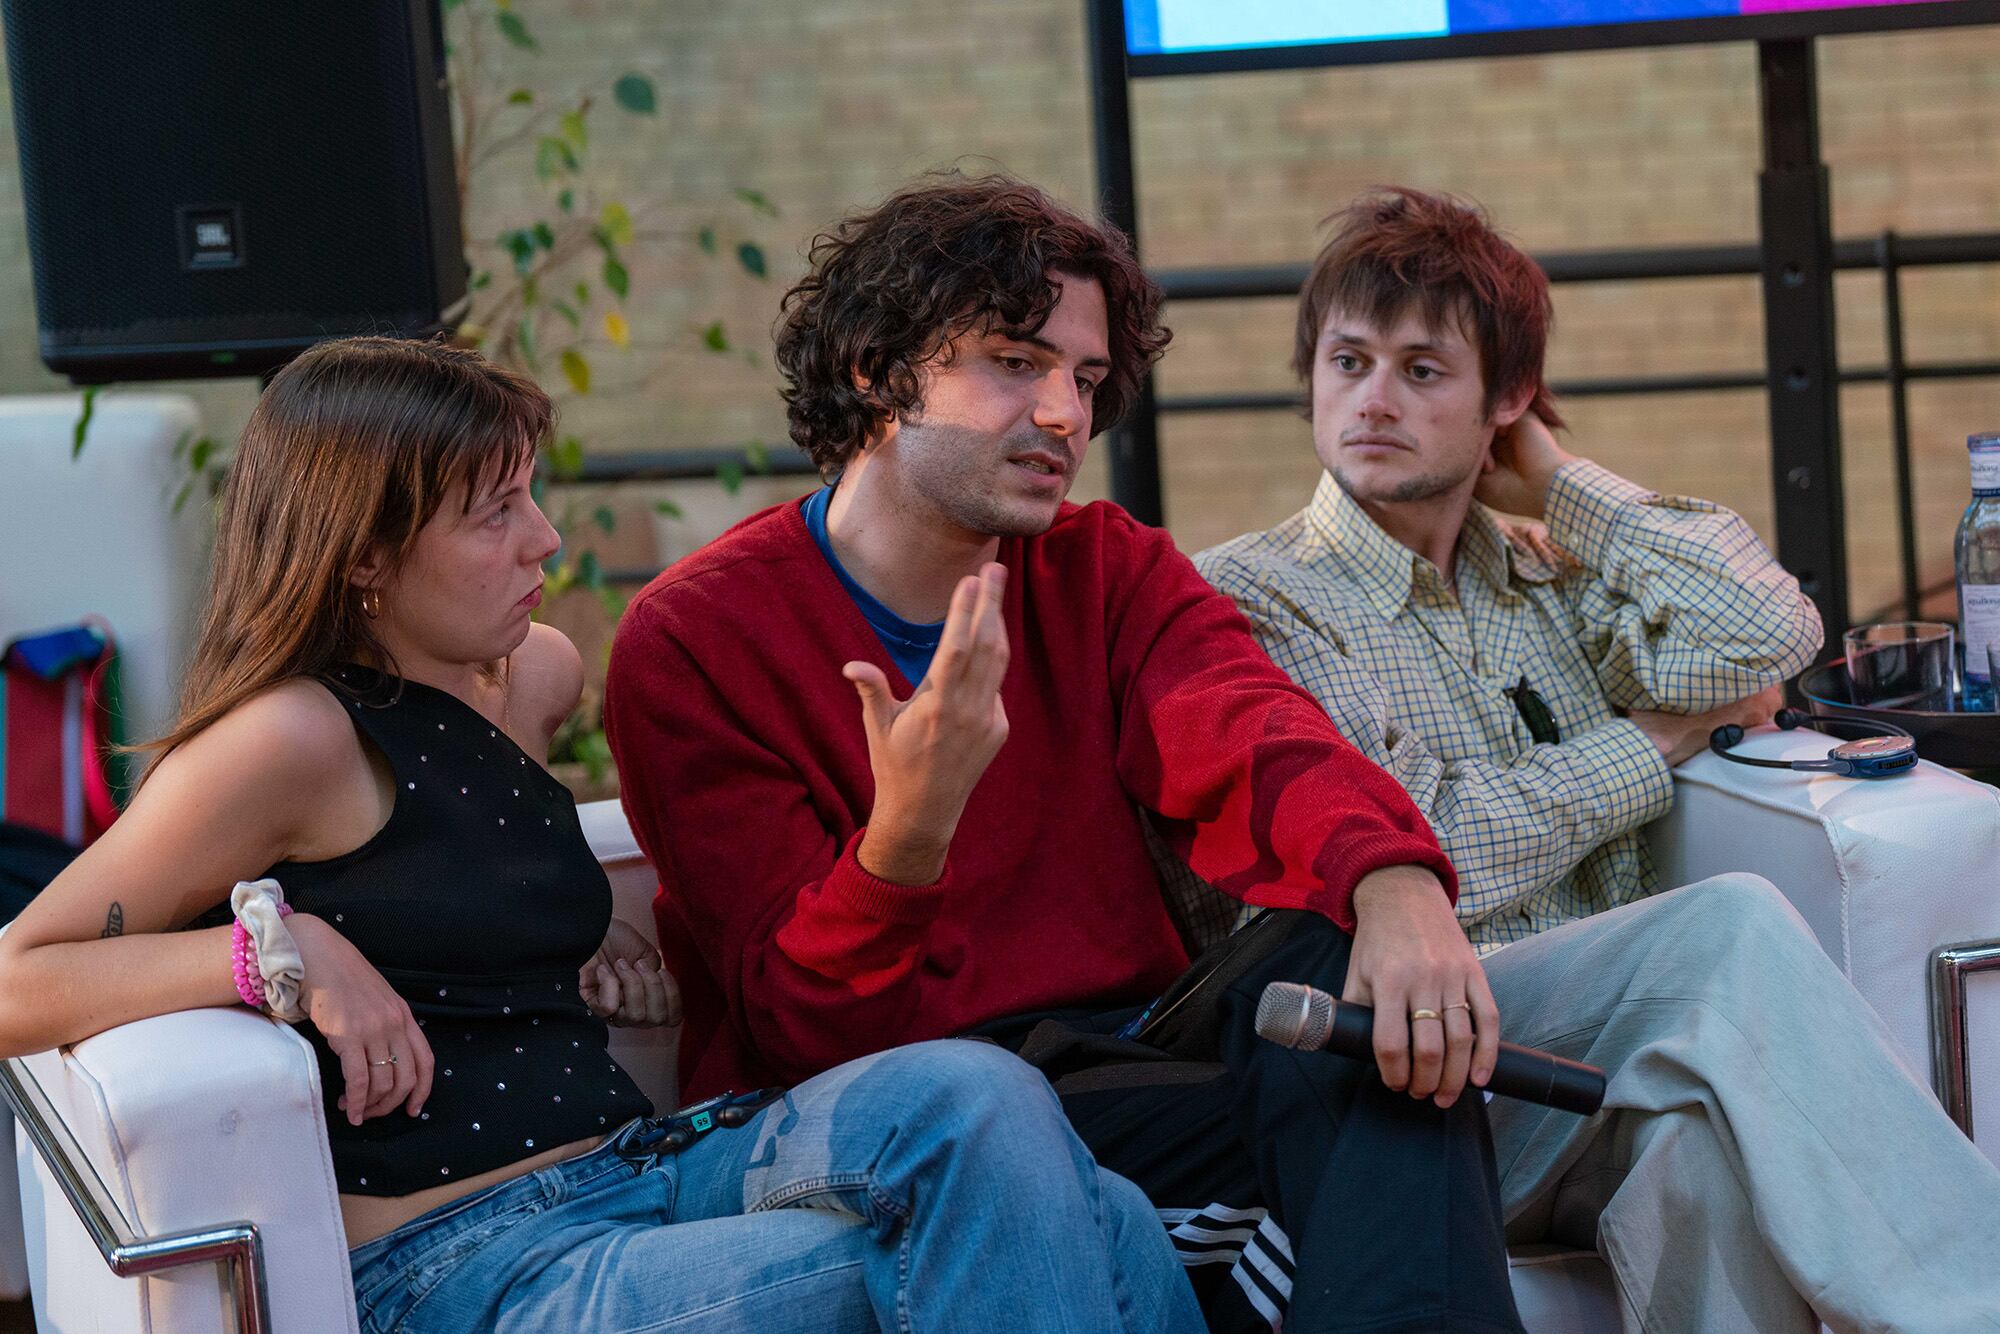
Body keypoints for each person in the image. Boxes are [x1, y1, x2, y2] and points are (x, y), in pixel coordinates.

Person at [0, 336, 1202, 1334]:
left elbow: (459, 891)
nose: (545, 543)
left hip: (642, 1169)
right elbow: (17, 975)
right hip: (466, 1260)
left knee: (980, 1097)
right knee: (1079, 1227)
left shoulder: (529, 679)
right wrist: (280, 952)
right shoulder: (289, 737)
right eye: (493, 515)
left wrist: (596, 941)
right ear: (363, 554)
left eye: (530, 497)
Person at [606, 173, 1526, 1333]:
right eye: (1013, 360)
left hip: (1122, 1061)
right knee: (1367, 1132)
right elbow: (804, 1028)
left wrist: (1390, 880)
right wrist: (909, 832)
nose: (1062, 414)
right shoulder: (696, 637)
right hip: (901, 1110)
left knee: (1337, 972)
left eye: (1084, 379)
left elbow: (1248, 726)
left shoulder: (1104, 566)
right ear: (873, 371)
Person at [1195, 186, 2000, 1331]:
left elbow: (1770, 632)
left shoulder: (1549, 572)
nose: (1371, 400)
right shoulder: (1247, 595)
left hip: (1574, 1085)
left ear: (1505, 404)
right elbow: (1424, 835)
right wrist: (1646, 742)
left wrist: (1571, 488)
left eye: (1422, 371)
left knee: (1695, 1143)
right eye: (1346, 361)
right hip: (1390, 1075)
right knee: (1722, 927)